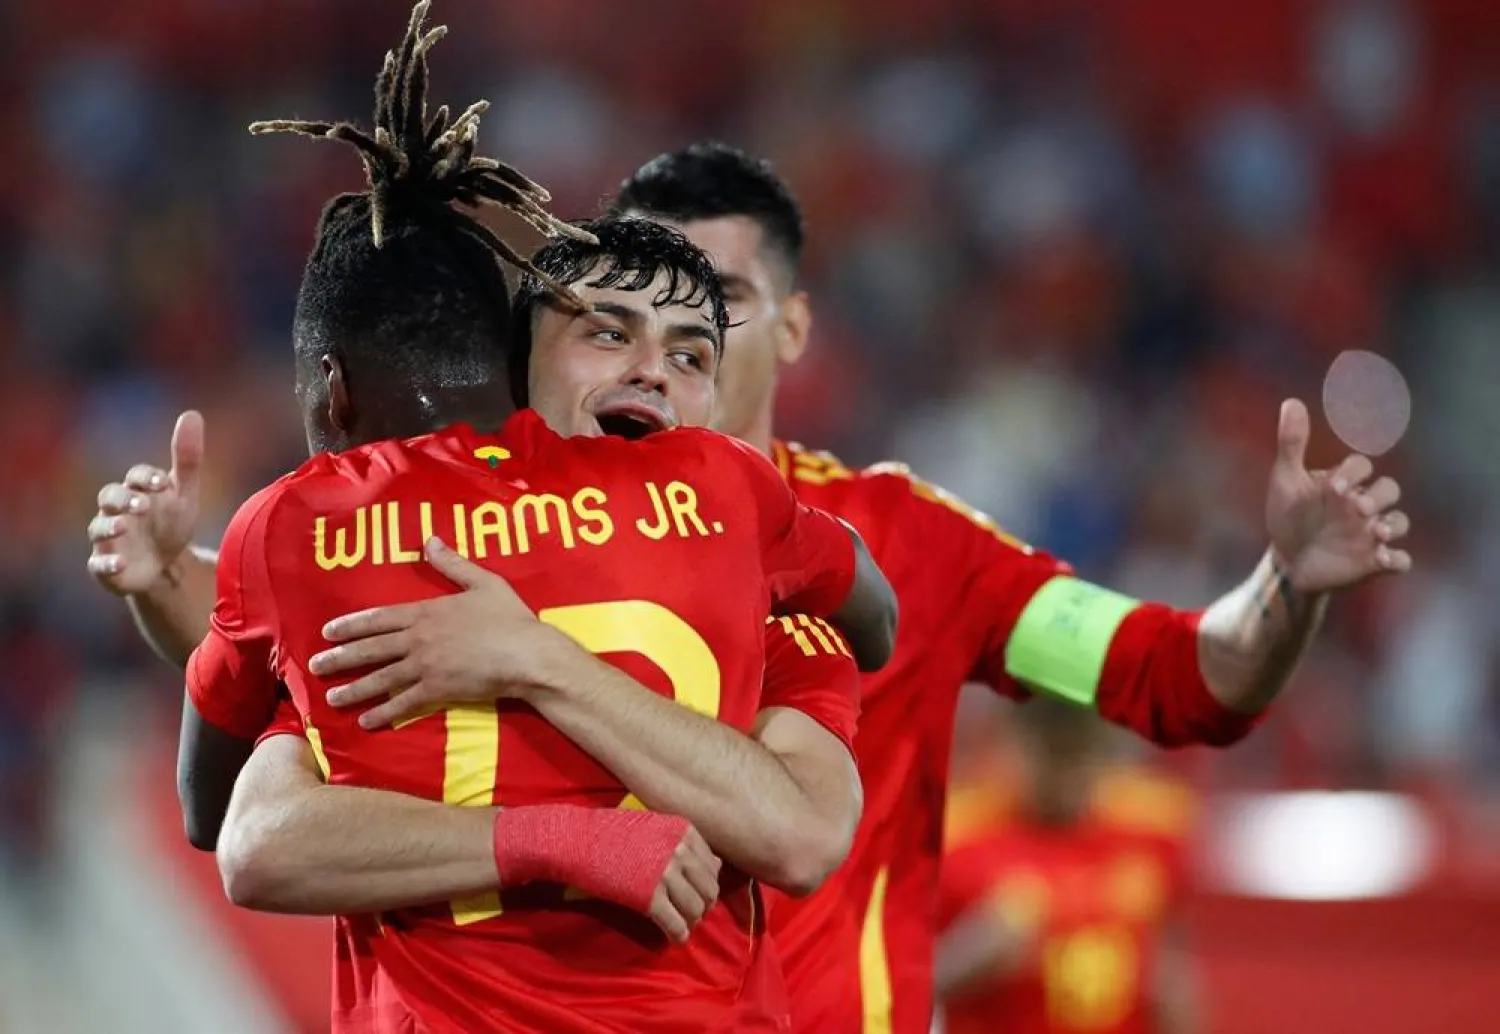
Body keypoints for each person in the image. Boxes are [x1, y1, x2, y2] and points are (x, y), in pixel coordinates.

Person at [90, 134, 1411, 1032]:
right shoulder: (466, 521)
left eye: (701, 300)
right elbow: (287, 705)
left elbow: (1180, 675)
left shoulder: (912, 543)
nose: (649, 350)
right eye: (610, 305)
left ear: (785, 325)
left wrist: (1287, 585)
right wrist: (171, 592)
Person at [95, 7, 892, 1032]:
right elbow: (253, 827)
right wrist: (556, 833)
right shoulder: (737, 514)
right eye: (608, 332)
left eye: (693, 354)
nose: (650, 368)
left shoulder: (321, 530)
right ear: (523, 364)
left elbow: (804, 830)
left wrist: (534, 657)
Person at [935, 700, 1200, 1034]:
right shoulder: (958, 835)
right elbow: (898, 986)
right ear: (1016, 743)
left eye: (1081, 752)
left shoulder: (1153, 827)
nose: (1068, 775)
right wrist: (971, 952)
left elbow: (1175, 977)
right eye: (1054, 753)